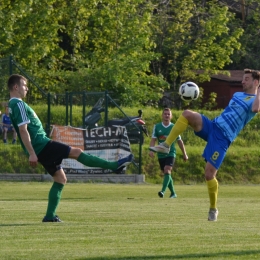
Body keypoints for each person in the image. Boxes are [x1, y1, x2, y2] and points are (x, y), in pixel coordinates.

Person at [7, 74, 134, 222]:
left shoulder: (11, 105)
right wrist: (32, 153)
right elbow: (23, 130)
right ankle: (114, 165)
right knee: (76, 152)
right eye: (24, 85)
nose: (26, 88)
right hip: (42, 145)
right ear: (16, 87)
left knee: (60, 179)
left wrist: (31, 152)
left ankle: (49, 216)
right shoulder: (19, 104)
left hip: (39, 147)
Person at [150, 69, 260, 221]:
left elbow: (255, 109)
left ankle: (213, 209)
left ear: (256, 82)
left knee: (209, 174)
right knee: (187, 114)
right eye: (243, 79)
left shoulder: (255, 101)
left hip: (223, 139)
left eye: (246, 79)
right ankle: (166, 144)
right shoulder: (237, 95)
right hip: (213, 126)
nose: (242, 82)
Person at [149, 108, 188, 198]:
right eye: (165, 114)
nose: (166, 115)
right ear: (162, 115)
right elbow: (153, 140)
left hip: (171, 153)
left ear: (171, 116)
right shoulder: (157, 126)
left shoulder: (174, 127)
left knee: (167, 170)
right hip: (161, 154)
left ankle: (162, 191)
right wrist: (151, 150)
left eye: (168, 114)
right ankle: (173, 193)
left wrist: (184, 154)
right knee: (167, 173)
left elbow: (179, 141)